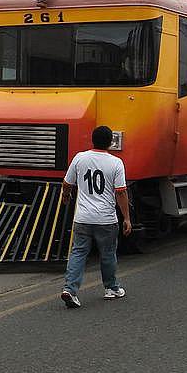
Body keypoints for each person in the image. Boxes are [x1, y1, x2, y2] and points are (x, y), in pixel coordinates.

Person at [59, 125, 132, 309]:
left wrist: (66, 197)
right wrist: (126, 218)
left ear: (92, 140)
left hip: (83, 218)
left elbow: (67, 183)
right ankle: (111, 288)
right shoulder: (116, 163)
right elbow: (121, 192)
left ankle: (70, 289)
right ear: (111, 142)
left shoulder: (80, 158)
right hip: (106, 219)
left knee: (78, 252)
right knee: (107, 254)